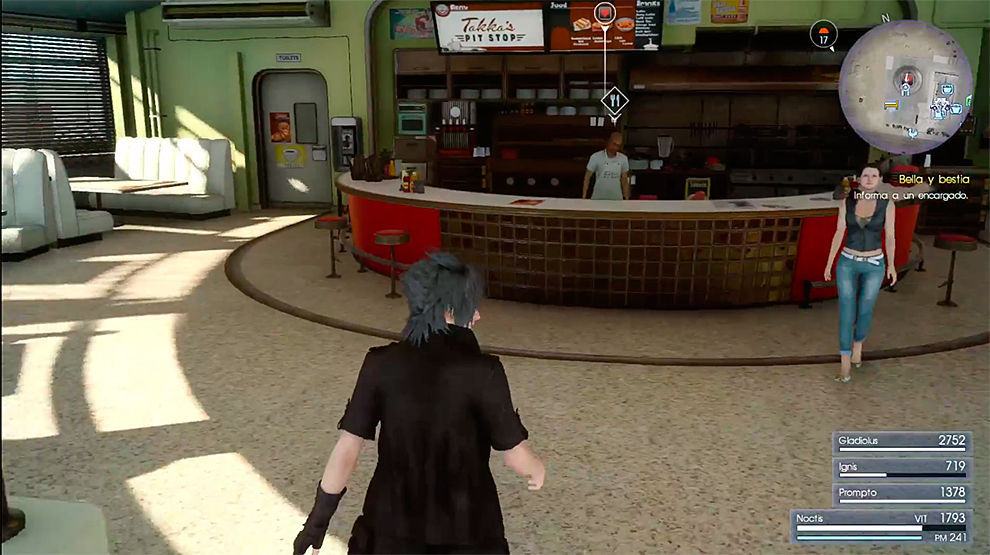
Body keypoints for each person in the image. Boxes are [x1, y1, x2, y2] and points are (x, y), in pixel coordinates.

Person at [293, 252, 545, 554]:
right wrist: (536, 469)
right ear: (450, 307)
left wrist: (318, 521)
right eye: (471, 304)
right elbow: (515, 457)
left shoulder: (380, 363)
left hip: (389, 529)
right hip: (467, 530)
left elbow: (347, 449)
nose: (477, 315)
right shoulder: (484, 371)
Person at [824, 164, 897, 383]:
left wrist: (892, 265)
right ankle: (845, 364)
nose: (869, 179)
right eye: (866, 175)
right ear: (859, 178)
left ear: (880, 179)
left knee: (865, 309)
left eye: (874, 175)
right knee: (846, 311)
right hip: (847, 262)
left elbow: (890, 237)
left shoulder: (887, 204)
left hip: (875, 264)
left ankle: (858, 345)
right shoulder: (846, 202)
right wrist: (829, 262)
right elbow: (839, 231)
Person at [582, 131, 630, 200]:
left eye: (618, 146)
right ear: (609, 142)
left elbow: (624, 180)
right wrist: (584, 197)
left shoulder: (623, 158)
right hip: (598, 198)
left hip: (617, 199)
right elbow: (587, 177)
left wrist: (627, 199)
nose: (615, 148)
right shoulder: (595, 157)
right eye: (614, 144)